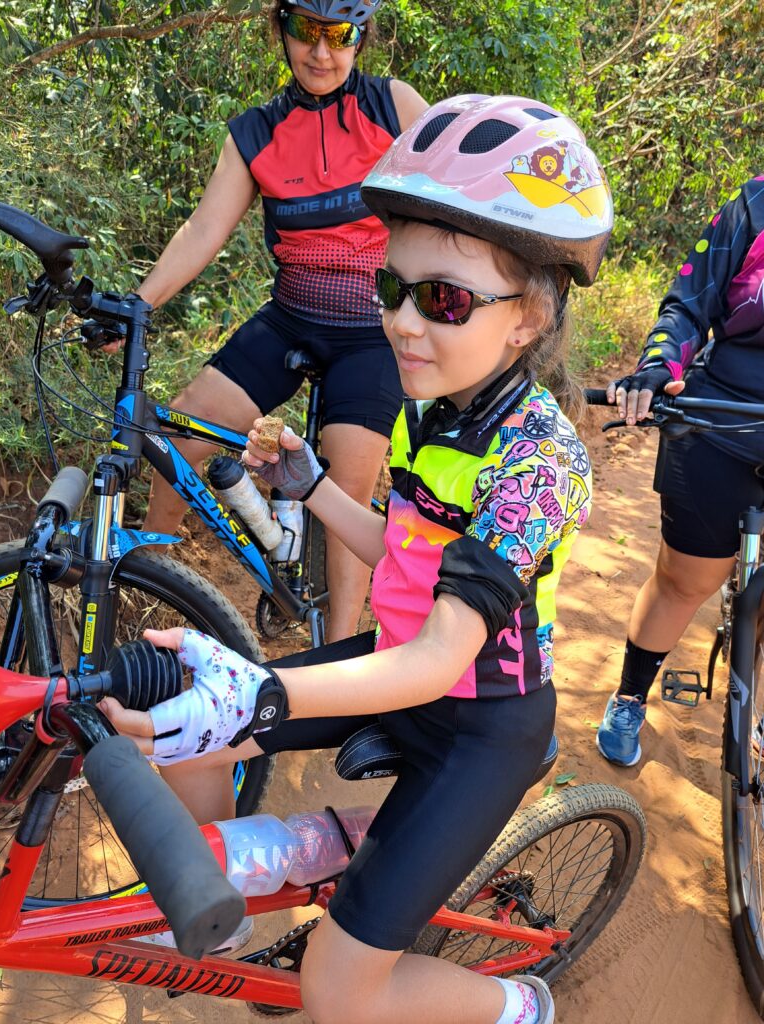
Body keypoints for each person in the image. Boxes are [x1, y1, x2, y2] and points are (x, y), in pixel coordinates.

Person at [101, 94, 613, 1024]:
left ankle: (521, 1005)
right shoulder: (432, 407)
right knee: (192, 731)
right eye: (393, 289)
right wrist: (312, 488)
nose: (404, 323)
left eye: (445, 299)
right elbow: (403, 552)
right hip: (399, 666)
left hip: (478, 722)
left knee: (336, 992)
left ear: (530, 317)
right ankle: (235, 916)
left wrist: (264, 692)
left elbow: (440, 656)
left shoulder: (542, 458)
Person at [134, 0, 427, 642]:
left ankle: (342, 655)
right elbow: (205, 228)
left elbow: (451, 196)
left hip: (371, 329)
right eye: (305, 32)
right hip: (291, 316)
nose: (321, 53)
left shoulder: (394, 106)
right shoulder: (256, 129)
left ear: (360, 38)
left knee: (344, 495)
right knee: (181, 436)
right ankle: (148, 580)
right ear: (281, 29)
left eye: (339, 35)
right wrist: (138, 303)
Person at [596, 175, 764, 767]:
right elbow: (690, 304)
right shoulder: (755, 204)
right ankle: (629, 696)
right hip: (723, 418)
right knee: (683, 582)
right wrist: (656, 367)